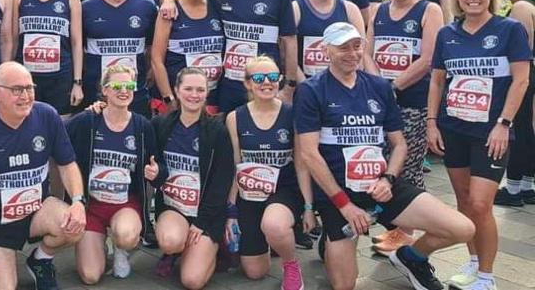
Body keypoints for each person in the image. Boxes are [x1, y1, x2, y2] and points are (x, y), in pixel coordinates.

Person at [296, 22, 475, 290]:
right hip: (339, 193)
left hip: (381, 187)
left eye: (357, 46)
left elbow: (399, 144)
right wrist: (344, 204)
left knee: (462, 228)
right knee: (344, 285)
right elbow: (309, 154)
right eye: (343, 47)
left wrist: (389, 179)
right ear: (326, 51)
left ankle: (410, 257)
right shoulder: (311, 90)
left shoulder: (379, 87)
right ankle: (335, 238)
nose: (352, 53)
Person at [427, 0, 532, 290]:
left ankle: (487, 277)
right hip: (454, 128)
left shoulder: (509, 30)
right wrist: (432, 122)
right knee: (462, 201)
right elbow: (437, 80)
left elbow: (521, 79)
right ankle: (472, 262)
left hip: (490, 133)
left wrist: (504, 124)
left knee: (481, 204)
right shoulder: (448, 33)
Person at [0, 62, 87, 290]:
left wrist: (77, 201)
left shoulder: (46, 115)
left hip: (35, 211)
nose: (25, 96)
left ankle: (40, 260)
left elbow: (67, 164)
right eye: (17, 90)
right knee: (1, 286)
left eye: (29, 88)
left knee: (74, 224)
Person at [363, 0, 444, 254]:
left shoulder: (429, 10)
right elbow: (367, 52)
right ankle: (395, 228)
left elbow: (428, 59)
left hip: (413, 103)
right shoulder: (380, 11)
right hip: (382, 103)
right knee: (385, 164)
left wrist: (394, 86)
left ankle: (406, 233)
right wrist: (380, 87)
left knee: (407, 166)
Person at [226, 56, 315, 289]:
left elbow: (301, 163)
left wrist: (308, 206)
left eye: (273, 77)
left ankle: (290, 263)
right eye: (258, 77)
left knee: (274, 224)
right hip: (250, 194)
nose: (267, 82)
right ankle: (272, 241)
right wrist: (231, 209)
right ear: (247, 83)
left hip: (283, 190)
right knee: (255, 272)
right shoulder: (234, 118)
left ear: (280, 81)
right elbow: (236, 165)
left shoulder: (292, 114)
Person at [66, 65, 157, 283]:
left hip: (125, 205)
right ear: (104, 90)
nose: (123, 91)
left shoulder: (142, 126)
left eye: (129, 86)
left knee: (125, 235)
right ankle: (98, 248)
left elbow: (157, 163)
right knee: (90, 276)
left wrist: (155, 172)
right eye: (116, 86)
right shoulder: (87, 120)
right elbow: (58, 142)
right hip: (92, 207)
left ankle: (121, 249)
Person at [146, 68, 233, 290]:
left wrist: (201, 222)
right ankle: (175, 250)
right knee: (170, 241)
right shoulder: (161, 125)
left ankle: (213, 249)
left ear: (206, 93)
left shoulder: (217, 131)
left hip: (206, 214)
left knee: (192, 281)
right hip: (174, 208)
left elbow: (221, 184)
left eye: (200, 90)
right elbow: (158, 173)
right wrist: (156, 176)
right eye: (188, 89)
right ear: (176, 91)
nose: (194, 95)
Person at [208, 0, 298, 113]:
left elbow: (289, 41)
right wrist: (172, 1)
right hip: (230, 86)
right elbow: (190, 0)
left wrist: (289, 87)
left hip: (265, 84)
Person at [81, 0, 158, 114]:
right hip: (97, 95)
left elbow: (152, 48)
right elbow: (77, 49)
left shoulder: (147, 8)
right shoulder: (86, 8)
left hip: (134, 95)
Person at [11, 0, 84, 116]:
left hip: (60, 79)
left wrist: (77, 83)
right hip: (27, 80)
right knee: (26, 125)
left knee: (59, 127)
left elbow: (76, 42)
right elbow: (12, 40)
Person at [150, 0, 223, 102]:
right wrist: (168, 98)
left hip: (211, 98)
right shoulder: (170, 10)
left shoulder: (216, 5)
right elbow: (157, 60)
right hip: (178, 99)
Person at [492, 0, 535, 207]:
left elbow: (521, 51)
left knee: (518, 129)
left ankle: (514, 186)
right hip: (531, 74)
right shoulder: (530, 4)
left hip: (524, 75)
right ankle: (527, 185)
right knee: (528, 128)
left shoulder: (520, 7)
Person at [293, 0, 365, 83]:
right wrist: (305, 86)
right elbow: (288, 55)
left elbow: (360, 54)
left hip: (342, 85)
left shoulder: (350, 10)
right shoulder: (296, 9)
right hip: (305, 85)